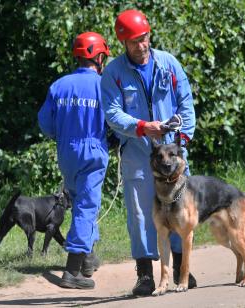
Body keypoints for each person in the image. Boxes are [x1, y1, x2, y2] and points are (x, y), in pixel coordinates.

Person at [100, 9, 196, 296]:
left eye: (143, 39)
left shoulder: (168, 63)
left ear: (149, 35)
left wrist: (182, 141)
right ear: (123, 43)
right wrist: (141, 127)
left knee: (180, 211)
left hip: (173, 158)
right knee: (140, 215)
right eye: (133, 42)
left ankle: (182, 271)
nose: (140, 46)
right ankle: (145, 275)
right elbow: (112, 114)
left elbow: (186, 103)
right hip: (138, 155)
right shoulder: (113, 73)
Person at [38, 32, 110, 289]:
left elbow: (45, 124)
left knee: (79, 202)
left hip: (66, 152)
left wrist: (64, 134)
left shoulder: (59, 85)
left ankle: (88, 259)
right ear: (99, 57)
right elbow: (114, 120)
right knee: (87, 208)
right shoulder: (104, 85)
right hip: (92, 150)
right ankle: (72, 271)